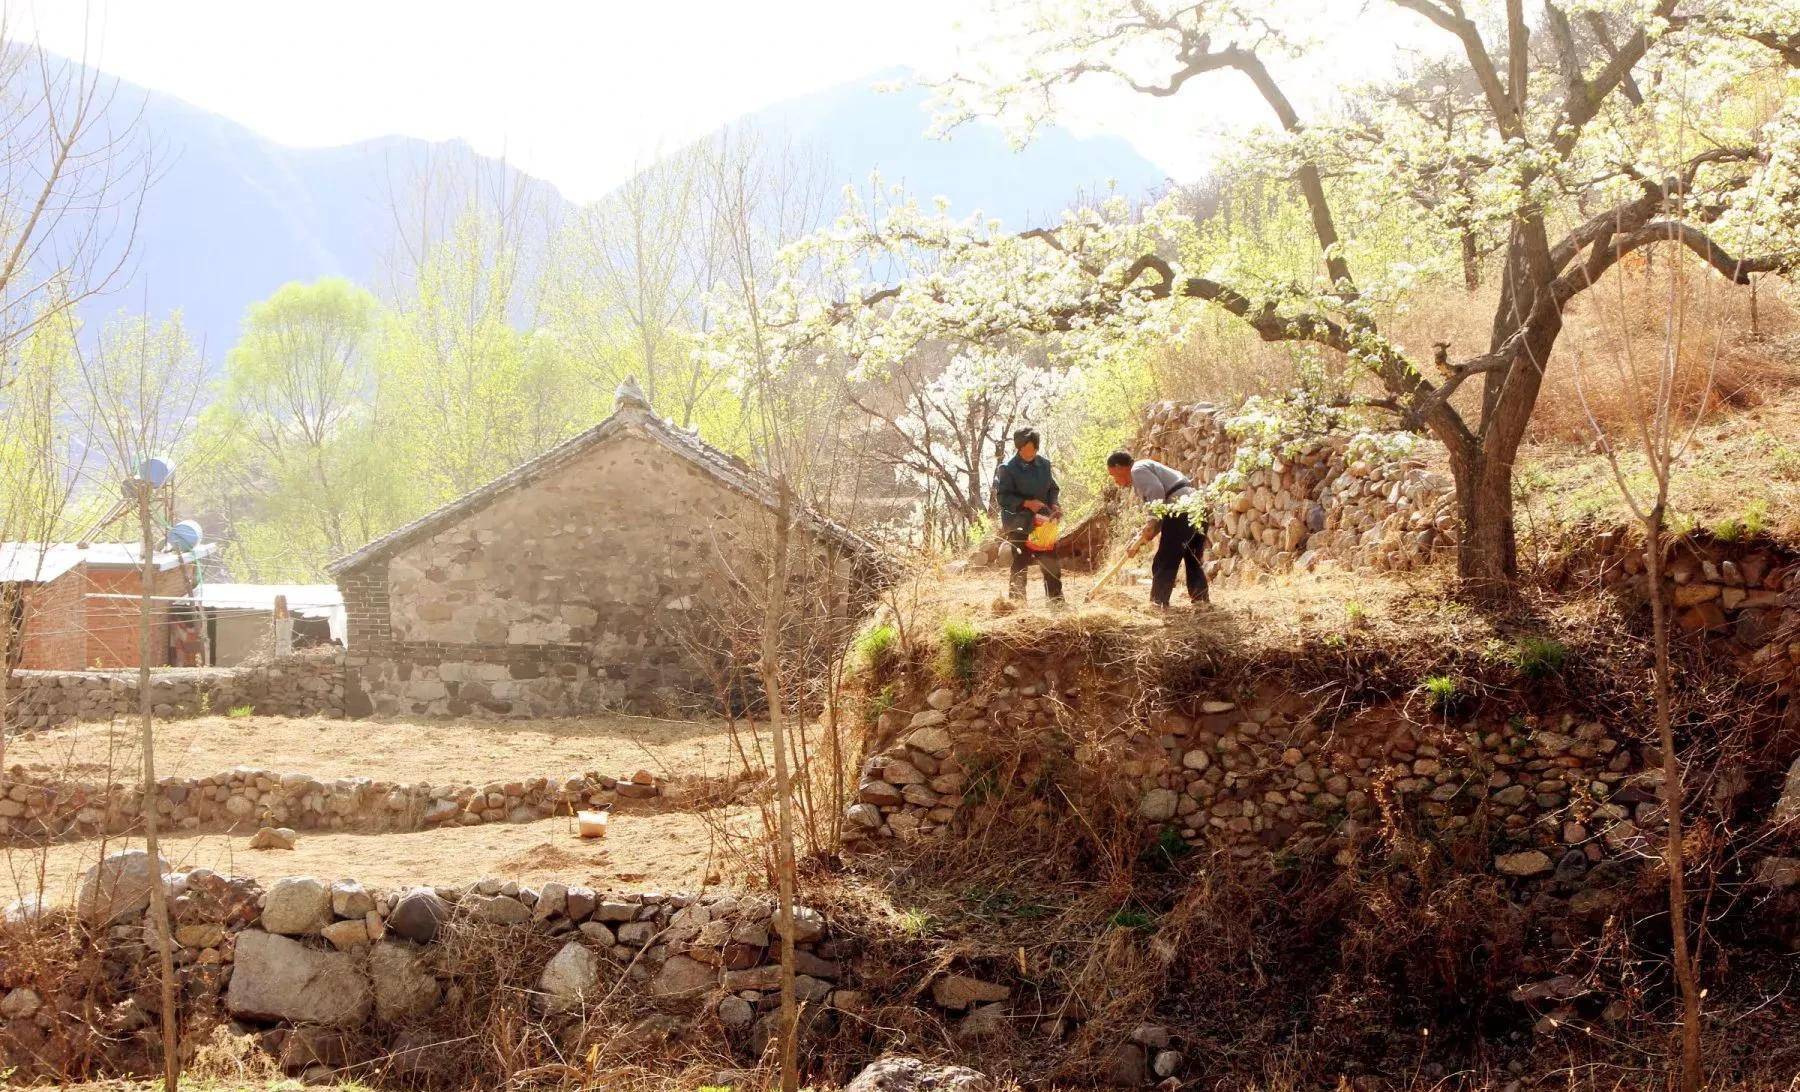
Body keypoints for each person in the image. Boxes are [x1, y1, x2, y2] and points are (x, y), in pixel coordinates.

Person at [1106, 450, 1209, 608]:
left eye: (1114, 475)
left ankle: (1157, 603)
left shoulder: (1137, 470)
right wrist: (1141, 540)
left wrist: (1152, 520)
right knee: (1192, 558)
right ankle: (1201, 602)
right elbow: (1160, 513)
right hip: (1197, 507)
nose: (1116, 482)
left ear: (1120, 467)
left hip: (1181, 510)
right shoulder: (1146, 469)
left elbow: (1156, 492)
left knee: (1164, 559)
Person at [994, 427, 1064, 603]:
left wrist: (1054, 503)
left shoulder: (1044, 465)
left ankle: (1055, 599)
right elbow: (1003, 497)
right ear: (1018, 448)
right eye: (1026, 450)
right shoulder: (1007, 468)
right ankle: (1017, 602)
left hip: (1042, 521)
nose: (1030, 453)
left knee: (1050, 560)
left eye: (1033, 449)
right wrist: (1026, 503)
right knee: (1020, 561)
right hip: (1019, 522)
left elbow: (1052, 488)